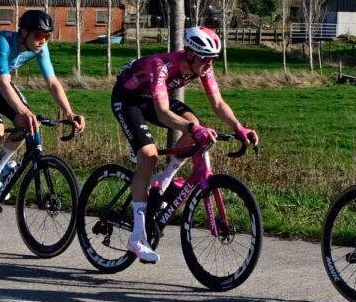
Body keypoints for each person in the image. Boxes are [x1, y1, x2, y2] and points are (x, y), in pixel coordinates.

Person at [111, 26, 260, 264]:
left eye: (212, 59)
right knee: (149, 156)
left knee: (194, 124)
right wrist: (192, 129)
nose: (209, 64)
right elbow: (162, 114)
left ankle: (164, 179)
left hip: (150, 98)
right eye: (205, 59)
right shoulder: (162, 66)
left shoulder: (202, 67)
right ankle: (137, 237)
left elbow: (218, 103)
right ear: (190, 54)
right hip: (128, 99)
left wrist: (239, 127)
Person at [0, 9, 86, 227]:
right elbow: (3, 84)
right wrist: (23, 110)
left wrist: (70, 113)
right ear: (24, 33)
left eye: (47, 36)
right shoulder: (3, 41)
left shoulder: (40, 48)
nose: (42, 41)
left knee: (27, 125)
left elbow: (53, 83)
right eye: (38, 36)